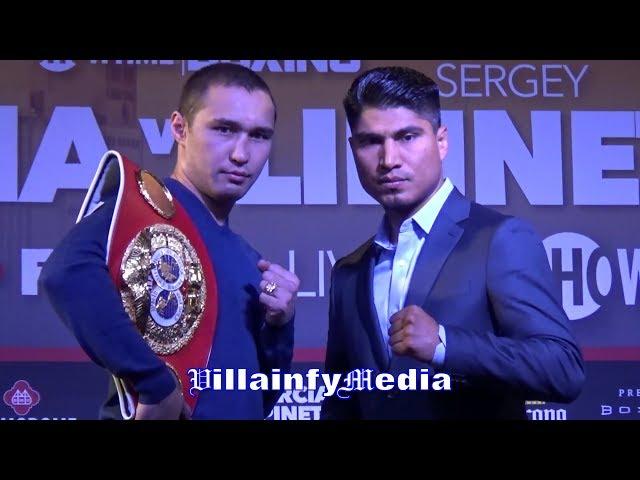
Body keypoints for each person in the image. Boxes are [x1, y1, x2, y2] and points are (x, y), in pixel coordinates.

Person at [321, 66, 585, 419]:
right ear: (353, 149)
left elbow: (563, 370)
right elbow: (342, 402)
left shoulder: (498, 239)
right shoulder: (348, 272)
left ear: (441, 140)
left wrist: (445, 344)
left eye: (407, 136)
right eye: (371, 142)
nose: (389, 160)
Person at [40, 63, 299, 420]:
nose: (242, 154)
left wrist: (278, 328)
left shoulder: (248, 258)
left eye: (258, 136)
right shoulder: (145, 212)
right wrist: (155, 384)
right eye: (224, 129)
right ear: (180, 127)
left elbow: (259, 399)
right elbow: (65, 272)